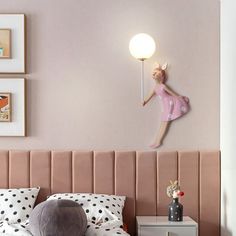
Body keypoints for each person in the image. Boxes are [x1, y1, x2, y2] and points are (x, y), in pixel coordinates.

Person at [143, 63, 190, 148]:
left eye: (156, 73)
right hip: (165, 106)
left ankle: (158, 141)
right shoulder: (156, 87)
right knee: (162, 124)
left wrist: (180, 97)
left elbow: (172, 93)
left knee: (164, 123)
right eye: (153, 74)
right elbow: (150, 95)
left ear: (161, 76)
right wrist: (145, 101)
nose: (153, 75)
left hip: (170, 104)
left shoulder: (163, 86)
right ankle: (157, 141)